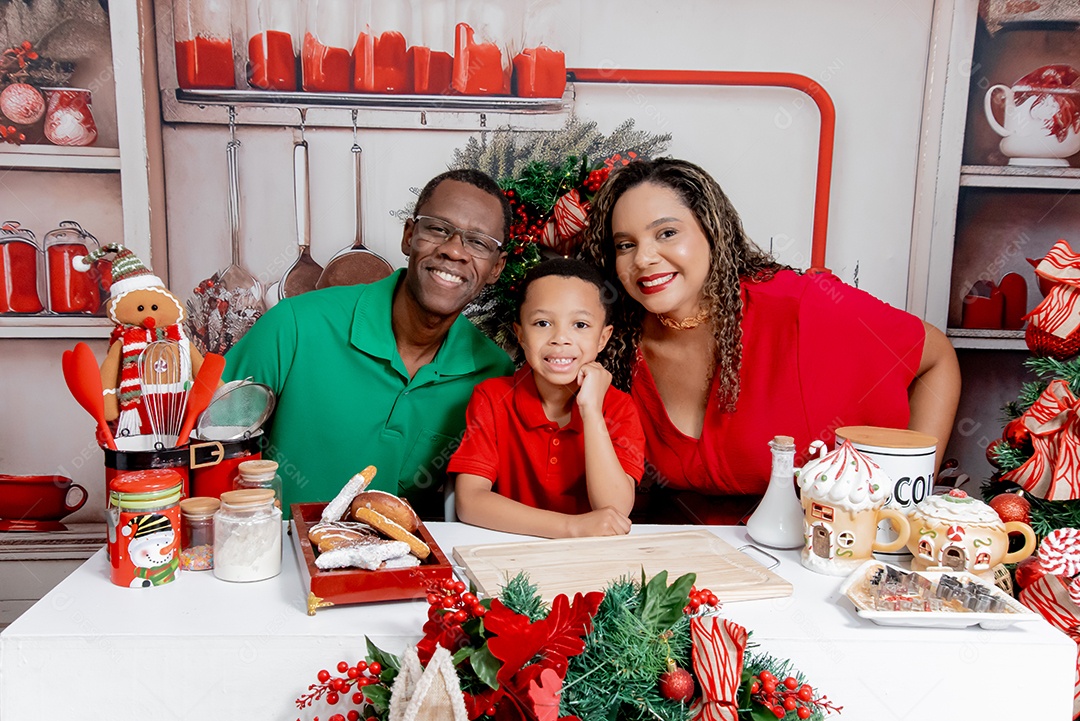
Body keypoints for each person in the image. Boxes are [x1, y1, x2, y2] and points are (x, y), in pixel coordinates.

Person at [578, 158, 961, 525]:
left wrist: (909, 507)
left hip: (809, 559)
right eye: (625, 245)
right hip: (681, 567)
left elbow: (934, 355)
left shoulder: (799, 308)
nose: (643, 258)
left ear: (712, 232)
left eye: (667, 233)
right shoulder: (611, 341)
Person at [223, 169, 515, 519]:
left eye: (478, 242)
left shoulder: (494, 374)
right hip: (275, 561)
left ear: (496, 268)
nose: (454, 250)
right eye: (438, 229)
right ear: (409, 236)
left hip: (396, 567)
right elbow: (212, 446)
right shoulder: (295, 325)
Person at [450, 258, 645, 537]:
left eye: (580, 324)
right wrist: (571, 526)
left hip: (592, 558)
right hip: (510, 550)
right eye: (542, 323)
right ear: (520, 334)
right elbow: (469, 502)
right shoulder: (492, 398)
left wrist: (591, 409)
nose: (560, 339)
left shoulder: (619, 408)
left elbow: (614, 509)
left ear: (603, 338)